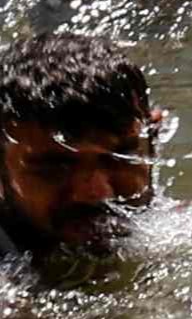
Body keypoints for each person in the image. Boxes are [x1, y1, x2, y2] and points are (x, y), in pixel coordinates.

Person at [0, 40, 169, 268]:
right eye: (55, 168)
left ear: (154, 138)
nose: (97, 192)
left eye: (120, 157)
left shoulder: (186, 232)